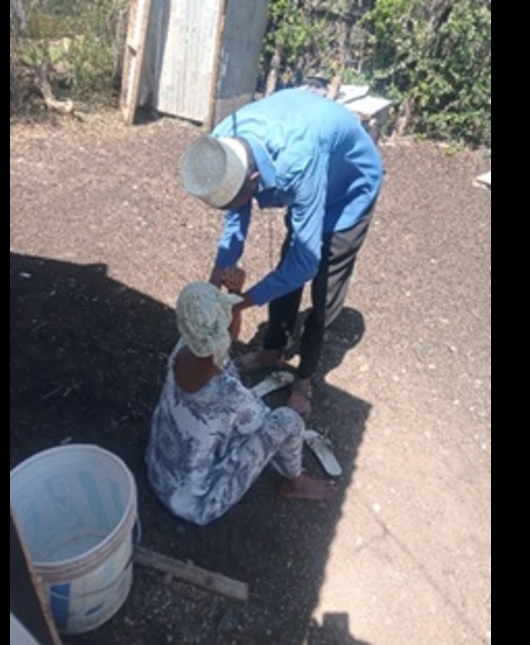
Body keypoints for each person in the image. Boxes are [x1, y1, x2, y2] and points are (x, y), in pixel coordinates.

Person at [179, 87, 384, 420]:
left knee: (322, 288)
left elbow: (305, 264)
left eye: (241, 199)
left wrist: (236, 304)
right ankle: (272, 350)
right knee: (288, 265)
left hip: (348, 191)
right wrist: (210, 293)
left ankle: (305, 378)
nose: (236, 208)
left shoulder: (297, 162)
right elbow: (235, 224)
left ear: (253, 179)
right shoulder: (221, 148)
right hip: (312, 169)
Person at [146, 279, 336, 526]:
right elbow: (266, 422)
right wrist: (292, 410)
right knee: (287, 421)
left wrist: (233, 292)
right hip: (195, 504)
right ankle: (296, 483)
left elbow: (219, 341)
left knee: (222, 408)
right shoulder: (230, 396)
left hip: (159, 471)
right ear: (224, 332)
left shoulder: (184, 346)